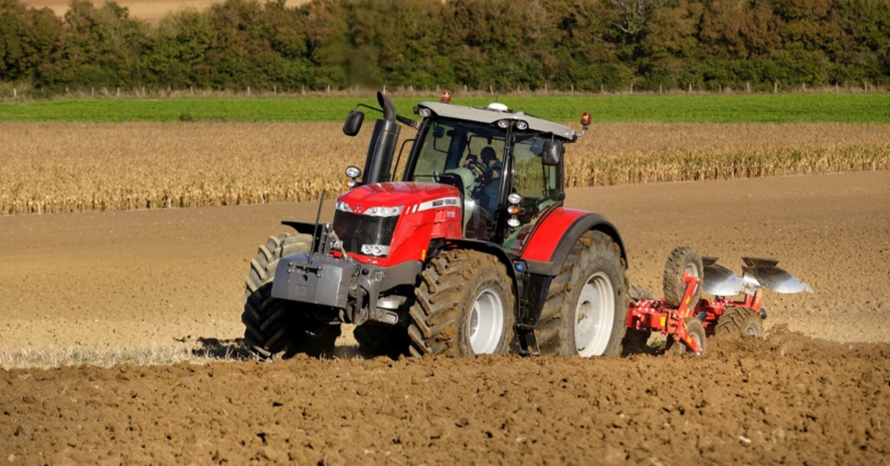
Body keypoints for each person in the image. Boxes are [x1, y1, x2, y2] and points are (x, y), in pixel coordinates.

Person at [478, 147, 501, 212]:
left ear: (490, 157)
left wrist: (474, 166)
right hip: (484, 196)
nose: (483, 161)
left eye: (484, 158)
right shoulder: (489, 168)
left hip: (492, 199)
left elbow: (492, 175)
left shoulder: (499, 166)